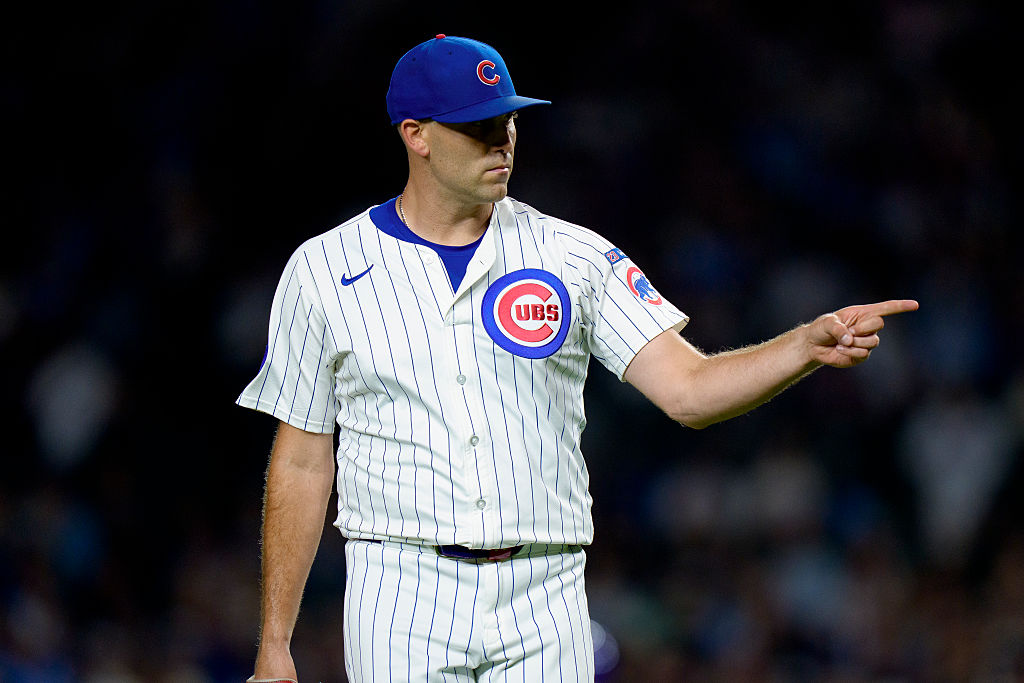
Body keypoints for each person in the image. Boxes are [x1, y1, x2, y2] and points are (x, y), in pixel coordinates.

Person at [237, 34, 918, 683]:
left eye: (507, 121)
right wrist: (275, 643)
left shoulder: (574, 255)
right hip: (401, 584)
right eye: (476, 126)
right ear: (414, 134)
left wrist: (801, 345)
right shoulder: (325, 268)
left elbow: (689, 389)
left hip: (544, 587)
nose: (500, 140)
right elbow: (301, 457)